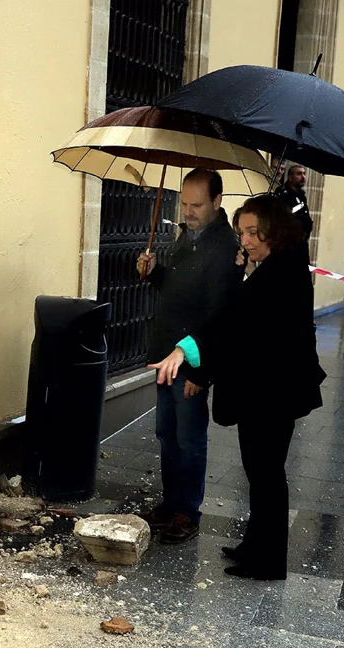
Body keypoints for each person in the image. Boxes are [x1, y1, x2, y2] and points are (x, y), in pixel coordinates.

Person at [153, 194, 326, 580]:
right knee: (260, 473)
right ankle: (256, 546)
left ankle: (267, 562)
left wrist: (188, 351)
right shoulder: (275, 265)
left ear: (275, 232)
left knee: (266, 475)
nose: (245, 240)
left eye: (253, 232)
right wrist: (247, 269)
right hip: (265, 391)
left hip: (271, 393)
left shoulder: (280, 272)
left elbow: (234, 323)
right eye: (242, 231)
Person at [135, 169, 243, 544]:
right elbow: (178, 289)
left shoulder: (224, 248)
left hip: (192, 362)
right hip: (167, 354)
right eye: (183, 203)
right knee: (167, 434)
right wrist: (154, 273)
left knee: (189, 437)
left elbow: (219, 317)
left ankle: (187, 511)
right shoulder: (188, 237)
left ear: (217, 202)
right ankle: (170, 502)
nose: (188, 210)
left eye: (197, 204)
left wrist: (203, 371)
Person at [274, 163, 314, 262]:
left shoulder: (301, 196)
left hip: (301, 244)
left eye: (304, 174)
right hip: (288, 245)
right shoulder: (283, 195)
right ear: (290, 177)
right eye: (299, 174)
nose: (303, 177)